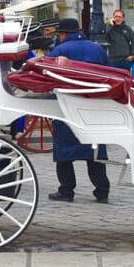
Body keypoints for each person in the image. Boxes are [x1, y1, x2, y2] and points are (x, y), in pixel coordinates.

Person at [46, 18, 111, 203]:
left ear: (63, 34)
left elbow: (51, 77)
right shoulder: (97, 48)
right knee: (94, 151)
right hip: (92, 108)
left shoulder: (60, 50)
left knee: (64, 153)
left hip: (68, 107)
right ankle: (102, 191)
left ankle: (66, 191)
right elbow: (108, 73)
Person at [106, 9, 134, 79]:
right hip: (113, 61)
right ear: (113, 18)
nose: (117, 18)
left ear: (123, 18)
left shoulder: (128, 29)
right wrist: (109, 25)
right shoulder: (109, 28)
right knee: (115, 81)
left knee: (126, 81)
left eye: (119, 17)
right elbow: (104, 37)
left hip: (125, 60)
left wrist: (132, 55)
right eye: (116, 17)